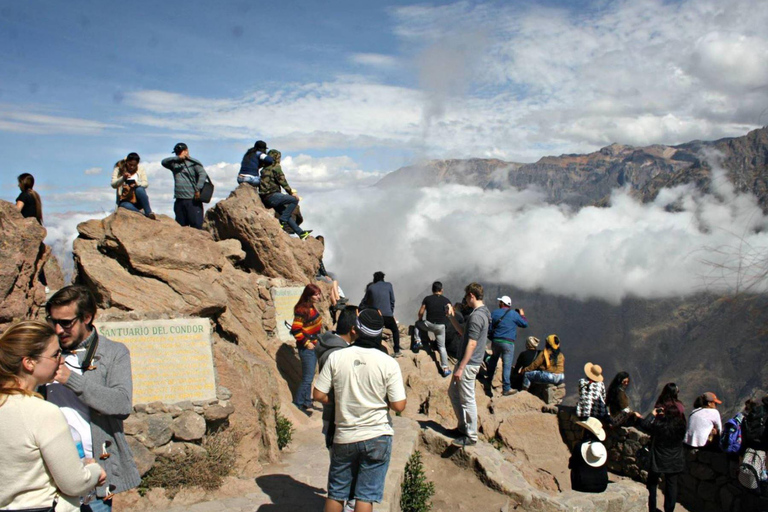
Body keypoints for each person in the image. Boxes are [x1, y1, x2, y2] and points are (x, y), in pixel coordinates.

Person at [44, 285, 140, 511]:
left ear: (87, 317)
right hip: (50, 473)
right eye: (53, 321)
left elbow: (121, 403)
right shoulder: (45, 352)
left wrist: (71, 379)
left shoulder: (114, 353)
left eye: (66, 323)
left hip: (96, 473)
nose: (58, 330)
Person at [0, 320, 106, 512]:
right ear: (29, 362)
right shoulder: (42, 412)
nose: (61, 360)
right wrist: (94, 470)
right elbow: (74, 483)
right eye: (55, 354)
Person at [313, 309, 407, 512]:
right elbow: (399, 406)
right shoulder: (388, 363)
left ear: (356, 330)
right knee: (365, 497)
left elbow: (318, 395)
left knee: (337, 493)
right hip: (377, 435)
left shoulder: (337, 357)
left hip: (345, 434)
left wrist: (339, 398)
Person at [446, 282, 491, 447]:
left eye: (466, 296)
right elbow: (463, 332)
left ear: (471, 295)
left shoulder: (477, 316)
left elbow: (471, 344)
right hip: (469, 362)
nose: (465, 300)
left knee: (467, 399)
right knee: (454, 393)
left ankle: (471, 435)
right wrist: (451, 318)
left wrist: (461, 367)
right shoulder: (482, 313)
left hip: (469, 363)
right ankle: (462, 427)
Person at [640, 398, 687, 512]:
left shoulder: (659, 425)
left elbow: (644, 424)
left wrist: (653, 414)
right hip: (674, 459)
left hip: (658, 458)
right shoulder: (681, 426)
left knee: (652, 482)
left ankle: (652, 507)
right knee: (672, 485)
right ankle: (669, 509)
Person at [258, 148, 312, 240]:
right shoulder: (276, 167)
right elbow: (283, 182)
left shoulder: (264, 169)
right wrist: (292, 193)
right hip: (273, 196)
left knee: (285, 214)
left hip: (265, 198)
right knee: (294, 200)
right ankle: (282, 220)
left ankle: (301, 233)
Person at [289, 284, 324, 415]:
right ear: (308, 296)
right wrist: (306, 343)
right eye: (316, 294)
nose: (318, 296)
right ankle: (298, 403)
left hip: (313, 344)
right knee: (308, 378)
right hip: (307, 347)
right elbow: (296, 329)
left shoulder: (310, 307)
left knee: (309, 375)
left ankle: (306, 401)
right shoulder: (301, 310)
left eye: (319, 294)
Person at [485, 296, 528, 396]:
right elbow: (524, 324)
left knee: (493, 360)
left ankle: (488, 381)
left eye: (500, 302)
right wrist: (522, 315)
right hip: (508, 343)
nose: (499, 303)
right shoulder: (514, 314)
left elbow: (489, 328)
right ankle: (506, 388)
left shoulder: (495, 313)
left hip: (496, 341)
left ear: (502, 303)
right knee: (507, 365)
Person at [161, 142, 208, 229]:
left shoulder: (194, 163)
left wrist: (198, 189)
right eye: (177, 153)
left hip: (192, 199)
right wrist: (178, 158)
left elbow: (203, 175)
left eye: (180, 152)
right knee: (180, 227)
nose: (178, 154)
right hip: (179, 200)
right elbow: (164, 162)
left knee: (196, 226)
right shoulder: (174, 164)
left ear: (186, 151)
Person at [414, 281, 452, 377]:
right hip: (441, 327)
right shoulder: (446, 300)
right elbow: (451, 313)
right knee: (442, 347)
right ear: (441, 290)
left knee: (417, 324)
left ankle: (418, 341)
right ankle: (445, 368)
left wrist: (420, 320)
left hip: (429, 324)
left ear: (432, 290)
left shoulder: (427, 299)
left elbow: (421, 312)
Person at [361, 272, 401, 357]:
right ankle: (397, 350)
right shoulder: (389, 285)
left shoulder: (371, 287)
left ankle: (376, 349)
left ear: (374, 278)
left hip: (376, 316)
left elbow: (365, 301)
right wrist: (391, 312)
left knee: (377, 331)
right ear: (383, 278)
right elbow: (392, 300)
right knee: (395, 330)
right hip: (388, 315)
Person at [110, 153, 155, 220]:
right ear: (126, 162)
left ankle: (148, 212)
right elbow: (113, 184)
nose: (132, 167)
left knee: (139, 189)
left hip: (138, 199)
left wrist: (137, 184)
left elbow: (145, 183)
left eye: (134, 165)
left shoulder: (140, 169)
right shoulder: (118, 169)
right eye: (130, 164)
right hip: (125, 200)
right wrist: (123, 178)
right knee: (124, 206)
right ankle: (142, 215)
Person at [569, 417, 608, 493]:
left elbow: (571, 465)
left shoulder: (579, 446)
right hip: (602, 486)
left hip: (582, 486)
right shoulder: (601, 448)